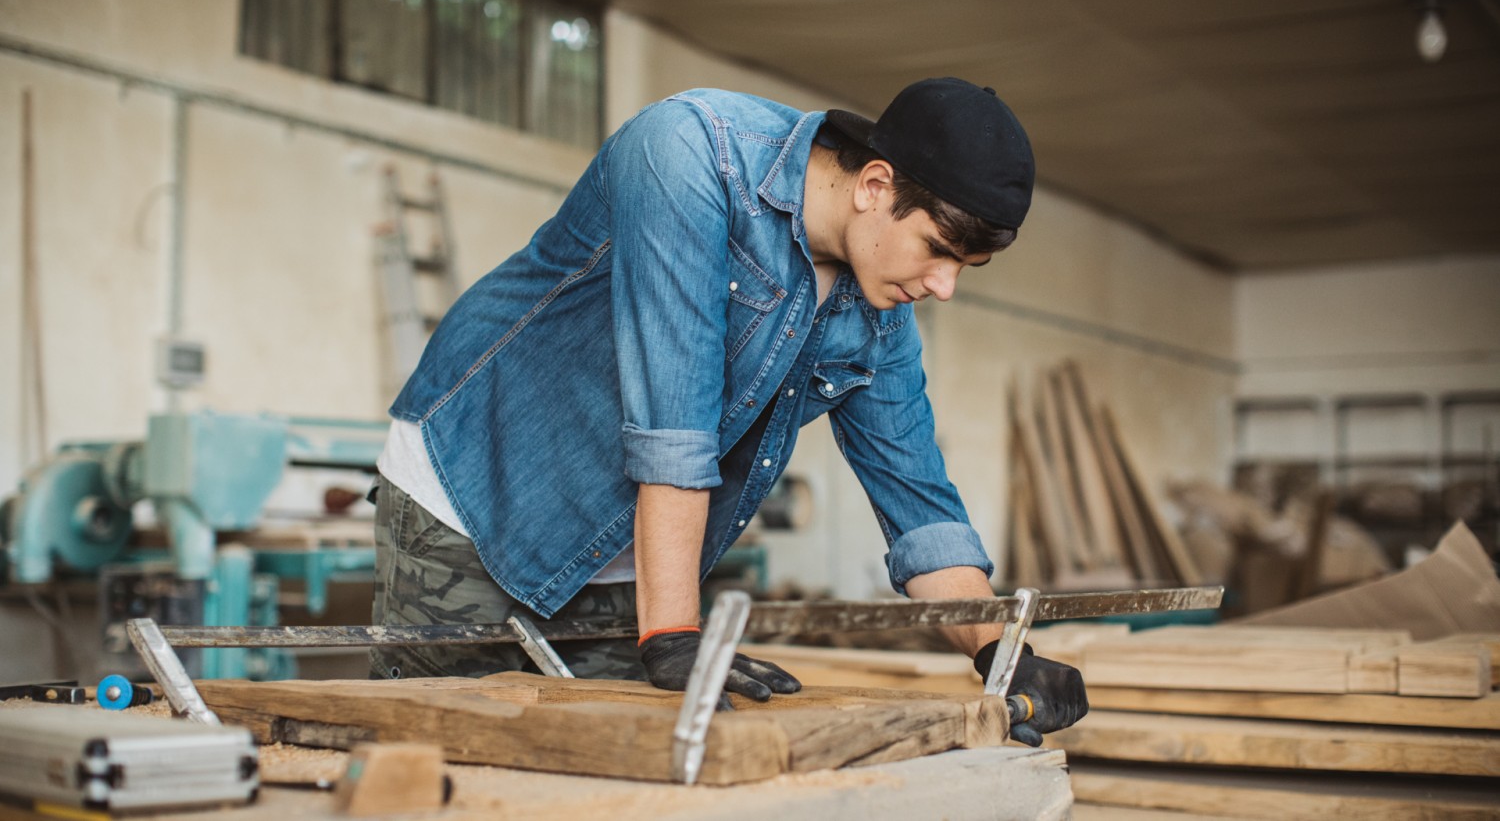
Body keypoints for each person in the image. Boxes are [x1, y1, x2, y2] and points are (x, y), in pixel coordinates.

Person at [369, 78, 1087, 745]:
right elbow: (673, 420)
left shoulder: (878, 316)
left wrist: (1002, 649)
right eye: (938, 250)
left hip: (624, 559)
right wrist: (675, 630)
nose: (944, 285)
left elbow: (920, 503)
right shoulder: (690, 154)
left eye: (965, 267)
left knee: (620, 769)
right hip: (475, 499)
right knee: (436, 757)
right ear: (875, 185)